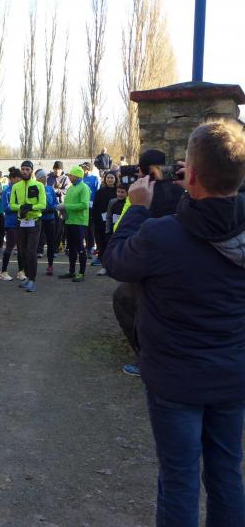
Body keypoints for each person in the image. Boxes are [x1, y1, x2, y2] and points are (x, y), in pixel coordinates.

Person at [103, 119, 245, 526]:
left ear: (192, 174)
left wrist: (136, 208)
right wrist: (201, 188)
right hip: (232, 374)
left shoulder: (162, 235)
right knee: (226, 474)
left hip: (175, 378)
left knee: (179, 479)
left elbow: (116, 262)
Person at [113, 148, 187, 376]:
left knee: (127, 301)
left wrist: (135, 206)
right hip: (184, 260)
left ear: (143, 170)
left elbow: (118, 249)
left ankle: (146, 357)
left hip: (151, 261)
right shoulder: (183, 188)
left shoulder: (142, 193)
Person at [9, 160, 46, 292]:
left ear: (31, 171)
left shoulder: (39, 185)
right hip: (21, 222)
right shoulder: (15, 186)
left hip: (34, 222)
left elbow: (43, 204)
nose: (25, 171)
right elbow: (12, 205)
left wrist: (30, 207)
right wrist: (21, 207)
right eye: (23, 169)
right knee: (23, 252)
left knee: (31, 251)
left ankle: (32, 280)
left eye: (27, 169)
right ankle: (27, 277)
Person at [57, 166, 91, 282]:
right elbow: (67, 203)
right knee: (71, 247)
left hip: (79, 222)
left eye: (71, 175)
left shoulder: (84, 188)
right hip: (69, 221)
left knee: (80, 247)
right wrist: (63, 210)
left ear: (77, 176)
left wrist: (66, 206)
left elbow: (84, 205)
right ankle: (71, 271)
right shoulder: (71, 188)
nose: (69, 177)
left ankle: (81, 273)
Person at [97, 184, 128, 276]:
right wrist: (107, 230)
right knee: (109, 249)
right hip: (112, 230)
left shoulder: (128, 203)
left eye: (122, 192)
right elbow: (109, 216)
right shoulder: (112, 202)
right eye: (118, 192)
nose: (120, 194)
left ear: (127, 193)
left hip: (123, 230)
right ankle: (105, 267)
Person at [0, 168, 24, 281]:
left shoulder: (21, 190)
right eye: (18, 179)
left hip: (21, 222)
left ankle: (21, 271)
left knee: (21, 247)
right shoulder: (6, 191)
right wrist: (20, 208)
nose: (20, 181)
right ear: (12, 179)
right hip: (11, 223)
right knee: (10, 247)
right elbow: (5, 208)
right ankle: (3, 272)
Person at [91, 171, 118, 266]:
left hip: (115, 220)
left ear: (115, 179)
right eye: (108, 178)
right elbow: (96, 207)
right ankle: (100, 257)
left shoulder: (118, 191)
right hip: (101, 220)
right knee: (101, 239)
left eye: (112, 178)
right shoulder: (100, 192)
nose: (109, 179)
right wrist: (97, 218)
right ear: (105, 179)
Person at [36, 169, 58, 276]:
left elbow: (55, 203)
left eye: (45, 177)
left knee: (51, 242)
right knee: (36, 242)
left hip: (50, 218)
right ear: (38, 179)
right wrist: (41, 209)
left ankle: (50, 265)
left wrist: (50, 209)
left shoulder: (50, 188)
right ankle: (32, 265)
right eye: (42, 177)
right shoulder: (35, 189)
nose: (44, 179)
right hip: (38, 219)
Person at [48, 160, 71, 251]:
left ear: (61, 170)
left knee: (59, 227)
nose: (57, 171)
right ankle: (50, 245)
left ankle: (56, 246)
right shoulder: (49, 177)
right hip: (50, 205)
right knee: (50, 227)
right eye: (55, 169)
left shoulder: (65, 178)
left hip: (60, 206)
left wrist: (57, 191)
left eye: (58, 169)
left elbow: (67, 190)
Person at [80, 162, 100, 258]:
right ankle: (85, 246)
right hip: (82, 206)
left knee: (91, 228)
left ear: (88, 169)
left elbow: (98, 192)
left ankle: (90, 247)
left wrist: (95, 204)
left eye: (83, 168)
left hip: (92, 207)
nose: (82, 169)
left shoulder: (94, 178)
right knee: (84, 227)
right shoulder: (81, 179)